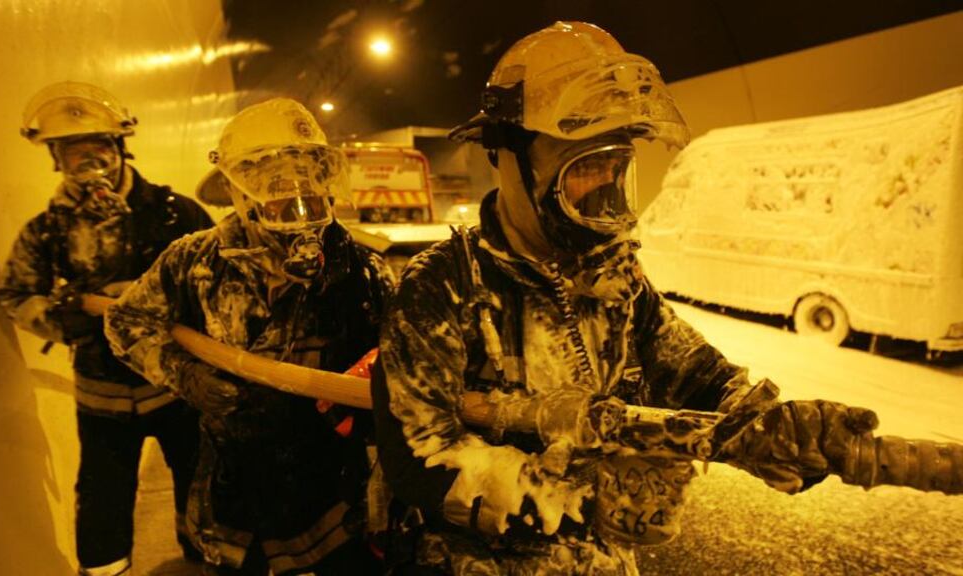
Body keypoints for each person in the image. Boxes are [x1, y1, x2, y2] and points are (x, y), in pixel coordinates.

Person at [371, 22, 881, 575]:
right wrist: (578, 501)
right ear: (510, 157)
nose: (606, 189)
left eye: (616, 167)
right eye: (586, 167)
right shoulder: (444, 286)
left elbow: (696, 373)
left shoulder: (614, 281)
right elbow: (420, 456)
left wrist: (773, 431)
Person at [104, 97, 394, 575]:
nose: (297, 191)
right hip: (232, 495)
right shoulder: (195, 262)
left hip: (333, 495)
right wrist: (185, 373)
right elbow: (125, 323)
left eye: (307, 174)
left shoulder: (360, 271)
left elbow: (404, 361)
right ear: (240, 190)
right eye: (275, 179)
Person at [0, 81, 214, 575]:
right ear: (55, 159)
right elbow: (15, 295)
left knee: (203, 489)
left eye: (98, 149)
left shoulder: (175, 213)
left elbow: (216, 280)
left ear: (119, 148)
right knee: (101, 505)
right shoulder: (46, 230)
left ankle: (204, 564)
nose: (89, 165)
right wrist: (63, 315)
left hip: (177, 387)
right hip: (102, 397)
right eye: (74, 154)